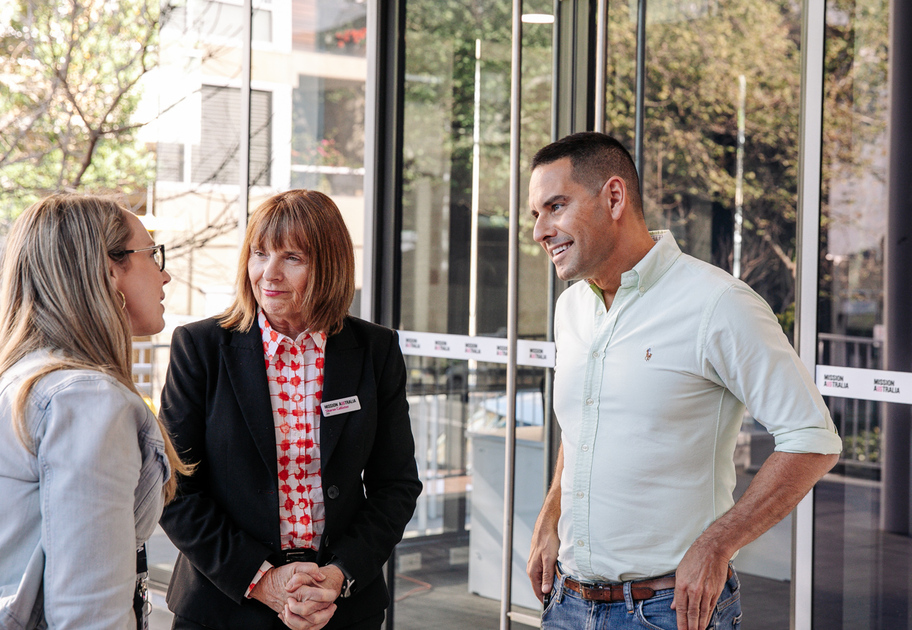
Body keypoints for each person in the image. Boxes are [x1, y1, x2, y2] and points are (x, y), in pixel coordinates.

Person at [525, 132, 842, 630]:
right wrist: (550, 516)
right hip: (566, 603)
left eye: (555, 207)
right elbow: (585, 423)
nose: (540, 230)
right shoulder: (572, 310)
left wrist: (718, 545)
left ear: (613, 197)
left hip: (669, 612)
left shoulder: (717, 303)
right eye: (535, 215)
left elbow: (812, 439)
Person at [159, 189, 422, 630]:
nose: (269, 274)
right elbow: (174, 488)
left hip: (340, 606)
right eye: (259, 254)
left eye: (292, 257)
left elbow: (395, 485)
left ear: (329, 265)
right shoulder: (201, 347)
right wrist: (263, 580)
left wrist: (338, 576)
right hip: (224, 605)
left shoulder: (375, 350)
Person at [0, 193, 188, 629]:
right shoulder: (86, 401)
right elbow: (89, 616)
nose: (165, 275)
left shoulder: (29, 380)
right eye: (152, 255)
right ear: (108, 270)